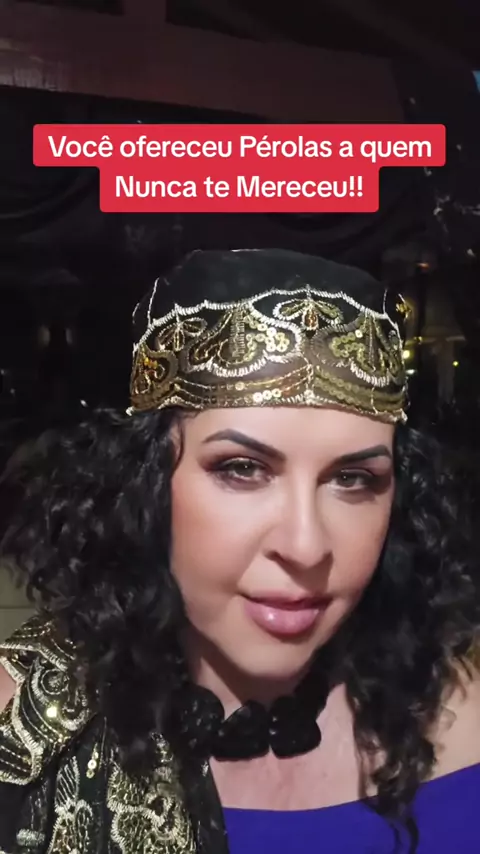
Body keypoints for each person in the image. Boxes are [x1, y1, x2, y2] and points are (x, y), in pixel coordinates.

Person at [0, 248, 479, 854]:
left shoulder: (458, 722)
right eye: (242, 468)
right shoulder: (22, 724)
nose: (305, 546)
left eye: (352, 478)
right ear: (144, 483)